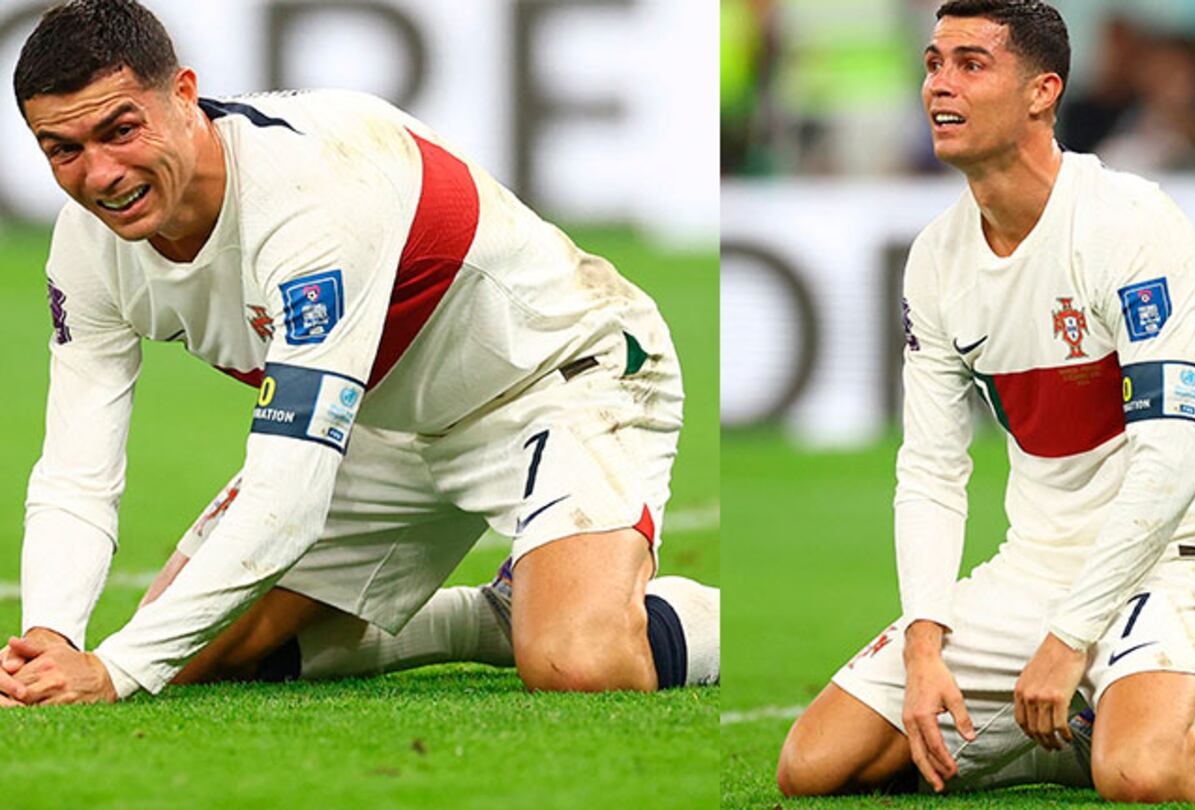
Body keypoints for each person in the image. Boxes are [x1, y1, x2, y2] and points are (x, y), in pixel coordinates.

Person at [774, 0, 1195, 801]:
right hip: (1036, 567)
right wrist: (923, 643)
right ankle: (1087, 724)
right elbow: (932, 470)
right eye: (934, 63)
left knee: (1144, 774)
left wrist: (1069, 638)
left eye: (971, 64)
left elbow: (1169, 460)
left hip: (1176, 555)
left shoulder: (1130, 225)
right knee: (813, 767)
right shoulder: (936, 261)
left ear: (1042, 92)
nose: (939, 85)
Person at [0, 0, 718, 707]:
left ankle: (673, 617)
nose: (100, 175)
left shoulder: (310, 194)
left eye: (119, 130)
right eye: (63, 149)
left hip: (550, 377)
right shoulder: (86, 249)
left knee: (577, 663)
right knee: (189, 653)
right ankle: (497, 615)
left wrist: (117, 668)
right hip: (376, 417)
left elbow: (290, 495)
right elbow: (75, 471)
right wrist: (52, 639)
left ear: (184, 95)